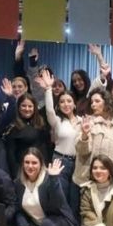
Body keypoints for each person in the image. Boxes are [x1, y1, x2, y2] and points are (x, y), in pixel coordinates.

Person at [35, 69, 82, 216]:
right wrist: (48, 89)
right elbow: (49, 110)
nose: (66, 104)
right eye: (62, 102)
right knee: (60, 198)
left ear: (74, 104)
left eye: (69, 101)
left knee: (75, 198)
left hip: (79, 163)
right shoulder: (58, 121)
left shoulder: (83, 121)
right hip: (60, 161)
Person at [12, 152, 79, 226]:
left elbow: (58, 203)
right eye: (27, 162)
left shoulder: (49, 179)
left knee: (46, 225)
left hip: (60, 223)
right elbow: (18, 210)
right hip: (37, 223)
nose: (30, 166)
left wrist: (54, 179)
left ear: (41, 165)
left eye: (34, 163)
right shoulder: (18, 183)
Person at [73, 88, 113, 185]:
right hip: (88, 180)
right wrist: (84, 135)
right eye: (92, 102)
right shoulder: (87, 122)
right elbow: (82, 151)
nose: (93, 104)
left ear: (107, 102)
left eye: (97, 101)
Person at [4, 93, 51, 179]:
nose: (27, 109)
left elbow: (45, 147)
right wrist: (17, 175)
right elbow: (11, 154)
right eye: (23, 106)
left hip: (40, 169)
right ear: (18, 107)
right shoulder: (13, 126)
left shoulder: (41, 123)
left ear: (34, 108)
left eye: (30, 106)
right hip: (22, 171)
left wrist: (46, 167)